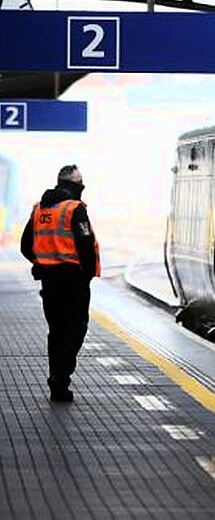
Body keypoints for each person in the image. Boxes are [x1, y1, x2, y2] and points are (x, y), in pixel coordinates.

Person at [20, 165, 100, 402]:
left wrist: (41, 263)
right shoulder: (75, 209)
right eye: (80, 182)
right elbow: (85, 244)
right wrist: (85, 274)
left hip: (49, 281)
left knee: (56, 331)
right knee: (76, 328)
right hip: (74, 281)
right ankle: (60, 377)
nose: (82, 186)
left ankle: (58, 382)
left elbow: (26, 245)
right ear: (73, 185)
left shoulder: (40, 209)